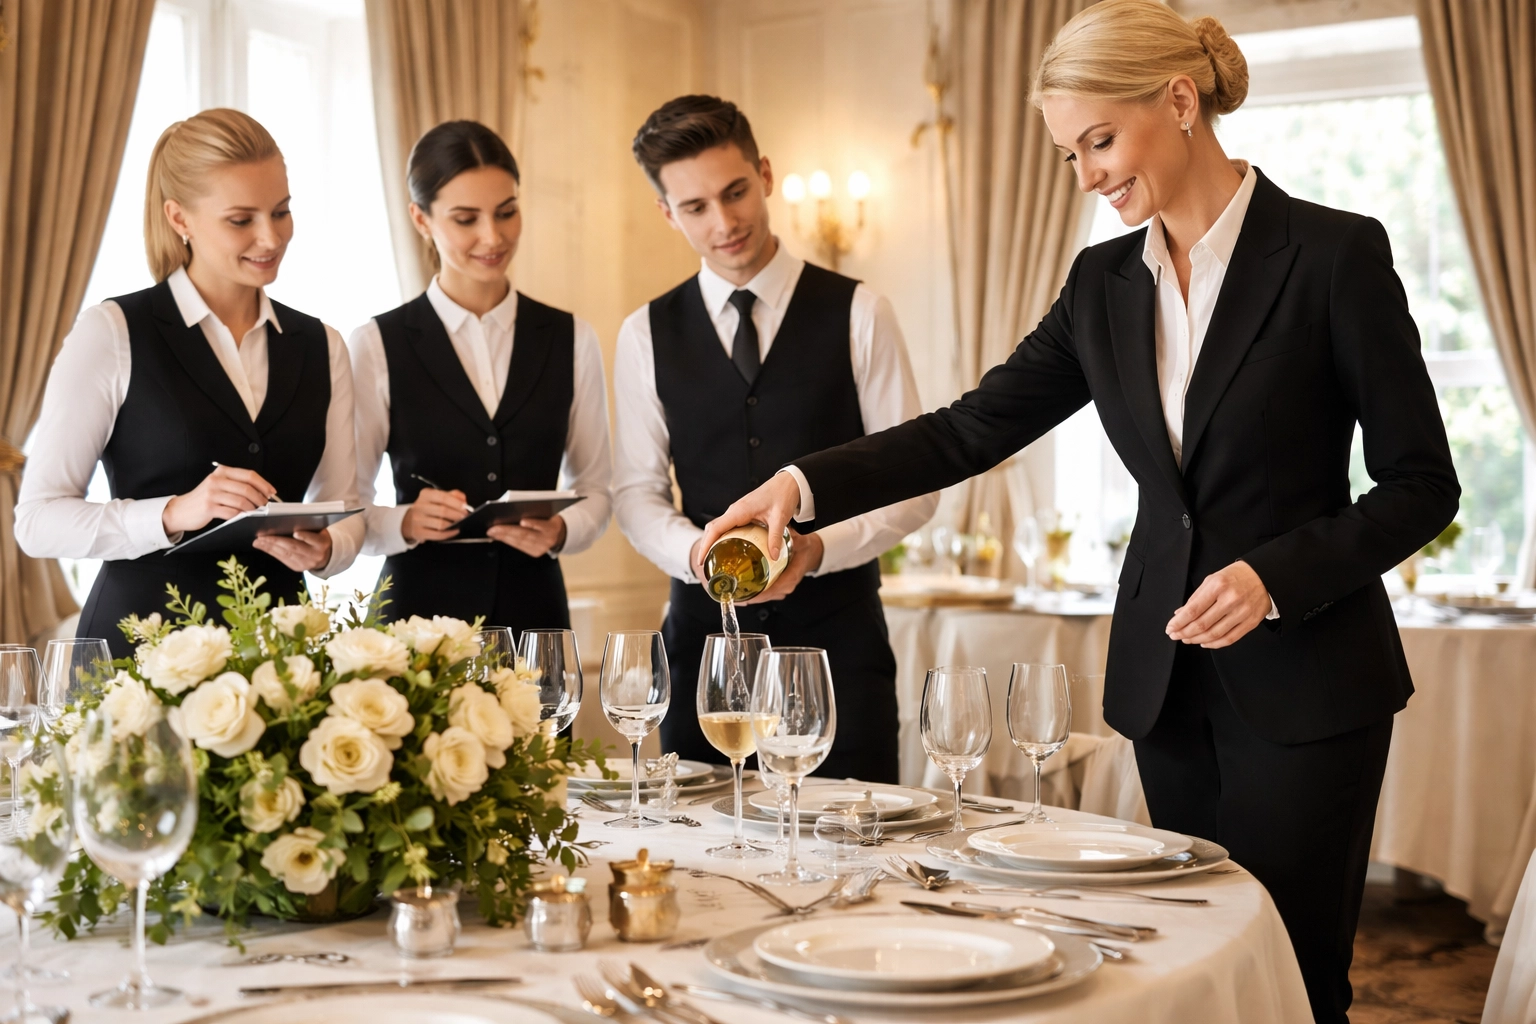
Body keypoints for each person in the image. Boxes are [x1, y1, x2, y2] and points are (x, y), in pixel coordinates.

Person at [699, 4, 1459, 1020]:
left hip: (1311, 683)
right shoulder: (1102, 283)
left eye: (1099, 141)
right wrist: (800, 488)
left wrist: (1275, 576)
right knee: (1191, 966)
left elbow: (1422, 483)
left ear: (1179, 101)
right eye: (1070, 155)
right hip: (1165, 681)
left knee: (1297, 977)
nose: (1088, 175)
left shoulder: (1333, 254)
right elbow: (971, 428)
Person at [614, 96, 937, 783]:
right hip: (704, 656)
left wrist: (818, 551)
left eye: (735, 192)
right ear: (668, 213)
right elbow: (637, 494)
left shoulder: (861, 313)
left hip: (840, 650)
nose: (724, 222)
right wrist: (696, 553)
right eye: (696, 207)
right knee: (700, 845)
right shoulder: (644, 333)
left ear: (764, 174)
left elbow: (913, 486)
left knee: (854, 841)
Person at [17, 109, 363, 659]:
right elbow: (37, 522)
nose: (271, 237)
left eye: (281, 211)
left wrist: (327, 550)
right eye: (241, 220)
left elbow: (346, 505)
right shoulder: (112, 332)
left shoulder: (324, 345)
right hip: (136, 662)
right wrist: (174, 512)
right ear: (179, 217)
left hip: (282, 666)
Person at [350, 120, 611, 633]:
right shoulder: (376, 343)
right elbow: (347, 506)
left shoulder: (572, 338)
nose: (493, 237)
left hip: (537, 622)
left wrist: (562, 530)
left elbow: (598, 489)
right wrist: (402, 521)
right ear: (420, 219)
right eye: (466, 219)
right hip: (415, 628)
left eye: (506, 212)